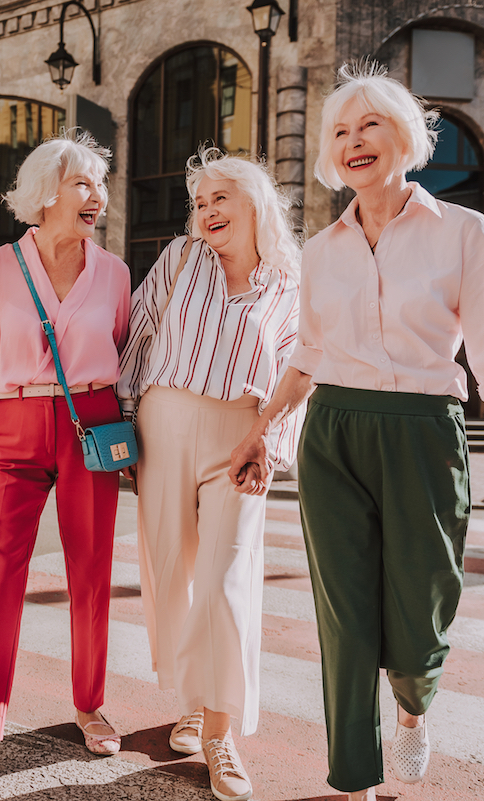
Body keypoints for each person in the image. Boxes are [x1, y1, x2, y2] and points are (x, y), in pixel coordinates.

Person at [228, 62, 484, 801]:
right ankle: (354, 778)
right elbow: (308, 354)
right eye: (340, 131)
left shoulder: (464, 232)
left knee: (421, 607)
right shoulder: (321, 250)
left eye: (370, 124)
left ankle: (412, 708)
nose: (354, 140)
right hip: (334, 434)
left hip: (424, 435)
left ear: (403, 136)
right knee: (344, 618)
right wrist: (263, 428)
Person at [0, 130, 131, 801]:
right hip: (14, 423)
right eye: (83, 184)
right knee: (0, 579)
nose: (96, 196)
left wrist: (130, 445)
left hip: (92, 424)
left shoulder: (117, 272)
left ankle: (90, 701)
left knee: (91, 572)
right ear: (46, 193)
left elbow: (124, 362)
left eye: (99, 184)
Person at [116, 149, 303, 801]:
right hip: (162, 424)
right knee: (170, 574)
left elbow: (294, 376)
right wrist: (125, 424)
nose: (208, 210)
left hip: (241, 435)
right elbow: (138, 336)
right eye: (200, 202)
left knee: (227, 582)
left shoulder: (287, 282)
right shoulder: (179, 259)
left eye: (221, 197)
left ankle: (220, 731)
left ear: (257, 204)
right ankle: (192, 697)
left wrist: (270, 444)